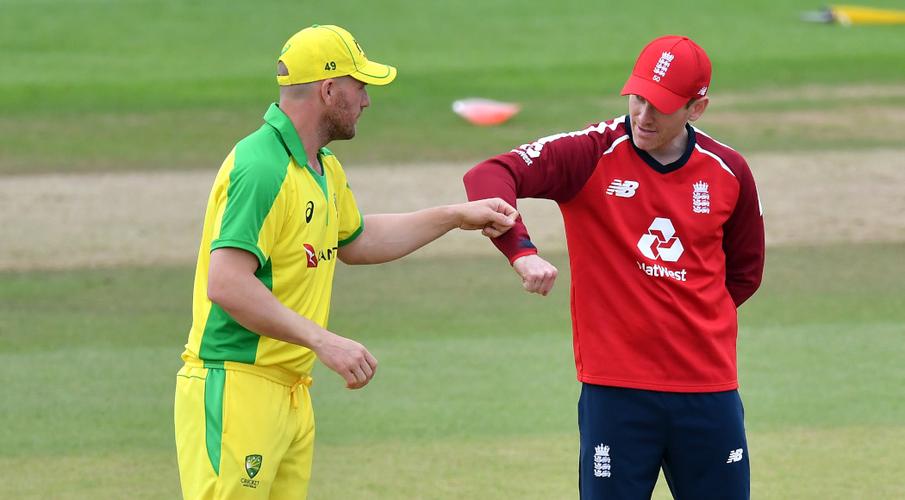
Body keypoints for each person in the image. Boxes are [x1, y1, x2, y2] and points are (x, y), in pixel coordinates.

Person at [173, 24, 517, 499]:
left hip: (290, 391)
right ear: (328, 88)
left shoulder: (322, 167)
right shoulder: (261, 167)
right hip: (236, 386)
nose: (367, 100)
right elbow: (227, 283)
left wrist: (455, 216)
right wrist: (324, 341)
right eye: (360, 86)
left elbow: (357, 240)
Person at [463, 35, 764, 499]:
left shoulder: (728, 171)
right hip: (616, 392)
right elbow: (488, 174)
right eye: (638, 97)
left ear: (697, 108)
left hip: (708, 390)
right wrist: (520, 250)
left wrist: (687, 316)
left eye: (661, 105)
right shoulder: (590, 153)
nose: (643, 115)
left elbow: (744, 273)